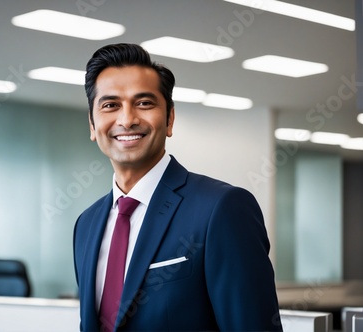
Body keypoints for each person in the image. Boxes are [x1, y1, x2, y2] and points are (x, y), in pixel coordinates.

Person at [73, 43, 282, 332]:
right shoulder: (86, 224)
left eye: (144, 103)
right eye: (110, 105)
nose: (127, 119)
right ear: (93, 126)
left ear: (170, 118)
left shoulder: (221, 209)